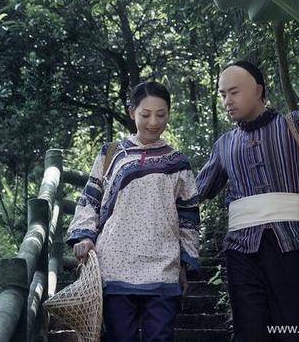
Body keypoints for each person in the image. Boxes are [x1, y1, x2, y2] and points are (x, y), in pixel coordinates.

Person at [195, 59, 299, 341]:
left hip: (289, 243)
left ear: (258, 90)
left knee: (295, 327)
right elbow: (194, 193)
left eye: (234, 92)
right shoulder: (224, 145)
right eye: (223, 94)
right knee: (249, 331)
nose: (227, 100)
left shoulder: (293, 125)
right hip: (240, 250)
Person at [66, 81, 200, 342]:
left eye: (161, 115)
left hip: (163, 265)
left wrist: (187, 262)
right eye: (145, 115)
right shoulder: (112, 153)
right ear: (131, 113)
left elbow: (189, 215)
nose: (153, 122)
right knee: (120, 337)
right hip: (115, 264)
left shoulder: (178, 162)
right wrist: (84, 237)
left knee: (160, 337)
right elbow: (91, 198)